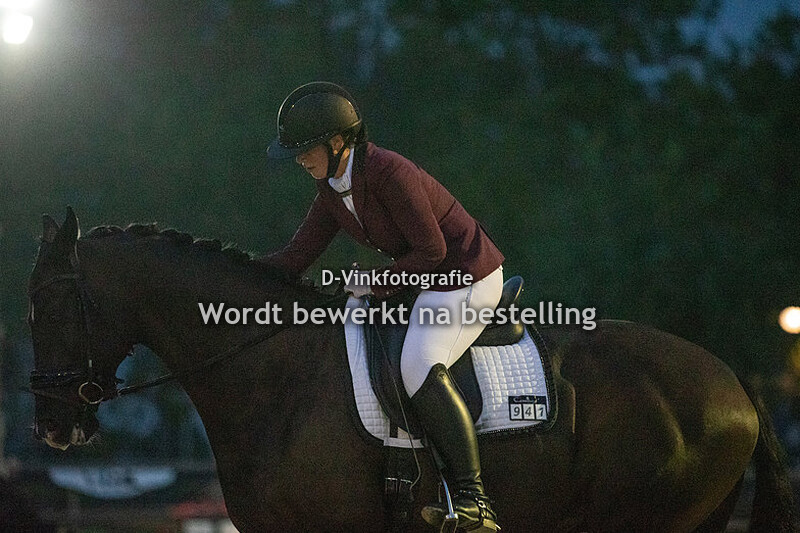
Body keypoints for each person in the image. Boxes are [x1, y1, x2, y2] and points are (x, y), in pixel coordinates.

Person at [262, 81, 504, 532]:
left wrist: (374, 283)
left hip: (466, 276)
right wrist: (234, 280)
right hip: (427, 280)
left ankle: (476, 500)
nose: (299, 159)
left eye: (305, 149)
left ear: (337, 143)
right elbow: (297, 255)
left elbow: (431, 251)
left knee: (418, 363)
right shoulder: (333, 186)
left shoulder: (390, 172)